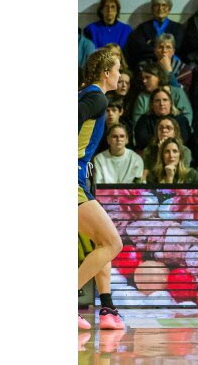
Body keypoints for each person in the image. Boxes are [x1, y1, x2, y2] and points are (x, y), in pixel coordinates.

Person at [77, 48, 125, 330]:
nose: (120, 74)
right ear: (107, 73)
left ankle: (107, 308)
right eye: (117, 69)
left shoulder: (88, 95)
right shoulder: (96, 97)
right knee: (112, 243)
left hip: (80, 179)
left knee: (102, 242)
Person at [125, 0, 184, 74]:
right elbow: (140, 49)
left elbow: (177, 47)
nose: (160, 8)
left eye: (164, 5)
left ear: (169, 9)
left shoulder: (178, 28)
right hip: (148, 65)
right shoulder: (142, 28)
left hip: (172, 65)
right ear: (152, 8)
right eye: (157, 5)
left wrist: (151, 43)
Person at [130, 63, 193, 127]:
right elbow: (137, 124)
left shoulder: (177, 93)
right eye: (143, 78)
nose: (144, 81)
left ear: (159, 77)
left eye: (147, 77)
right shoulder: (142, 98)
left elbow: (187, 116)